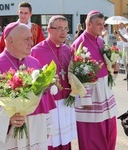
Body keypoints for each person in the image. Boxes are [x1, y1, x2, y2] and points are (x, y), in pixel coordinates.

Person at [0, 22, 54, 150]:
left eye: (31, 38)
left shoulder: (35, 62)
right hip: (9, 135)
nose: (31, 43)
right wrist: (7, 118)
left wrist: (47, 125)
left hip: (36, 127)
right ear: (11, 41)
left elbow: (44, 99)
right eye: (26, 39)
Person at [71, 10, 118, 150]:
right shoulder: (80, 43)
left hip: (105, 92)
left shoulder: (100, 40)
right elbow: (76, 75)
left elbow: (106, 66)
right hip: (91, 98)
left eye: (103, 24)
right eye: (98, 24)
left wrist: (113, 66)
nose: (102, 27)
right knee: (93, 136)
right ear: (89, 24)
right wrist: (85, 99)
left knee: (108, 132)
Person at [31, 15, 77, 150]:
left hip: (66, 102)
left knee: (66, 140)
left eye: (65, 29)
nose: (63, 32)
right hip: (49, 105)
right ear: (49, 30)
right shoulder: (36, 51)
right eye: (59, 29)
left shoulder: (67, 50)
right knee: (50, 141)